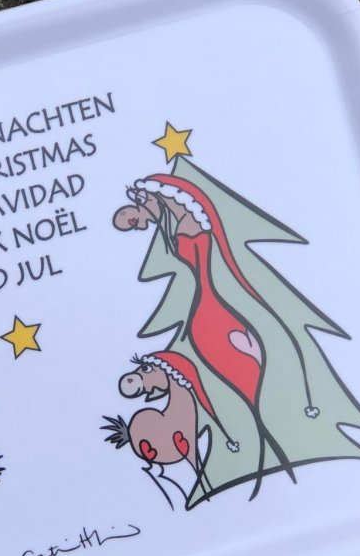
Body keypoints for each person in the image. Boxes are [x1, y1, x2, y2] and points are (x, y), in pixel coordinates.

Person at [114, 174, 322, 483]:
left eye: (130, 218)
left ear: (146, 198)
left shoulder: (190, 222)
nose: (137, 225)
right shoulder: (176, 222)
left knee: (247, 378)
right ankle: (270, 449)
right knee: (240, 383)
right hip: (207, 319)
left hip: (215, 313)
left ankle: (278, 446)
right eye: (131, 225)